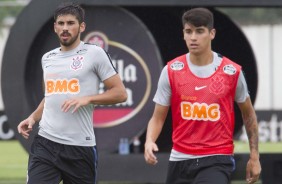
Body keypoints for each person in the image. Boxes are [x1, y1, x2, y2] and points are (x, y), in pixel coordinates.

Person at [144, 7, 261, 184]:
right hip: (180, 160)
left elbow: (248, 115)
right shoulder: (171, 70)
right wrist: (149, 141)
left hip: (217, 159)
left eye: (199, 31)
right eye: (188, 31)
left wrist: (255, 156)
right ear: (183, 34)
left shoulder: (231, 72)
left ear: (212, 33)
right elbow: (158, 117)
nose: (193, 37)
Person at [17, 2, 127, 184]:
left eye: (70, 23)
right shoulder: (48, 58)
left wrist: (88, 98)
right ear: (55, 27)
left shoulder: (95, 54)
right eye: (61, 23)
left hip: (80, 148)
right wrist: (33, 118)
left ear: (81, 26)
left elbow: (120, 93)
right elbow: (51, 97)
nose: (65, 28)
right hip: (46, 143)